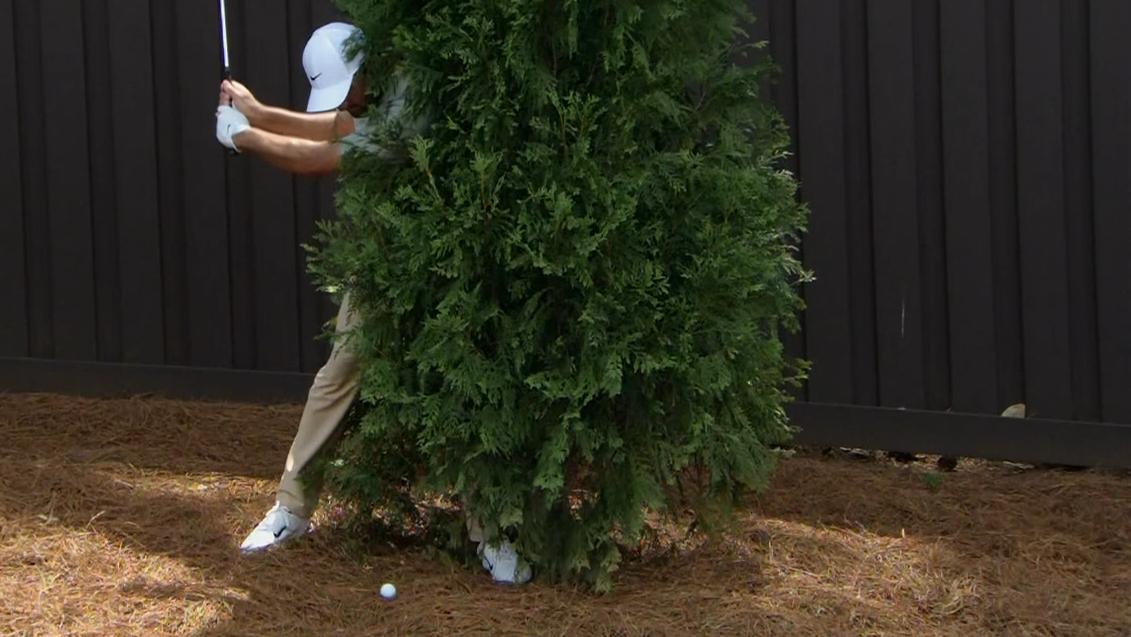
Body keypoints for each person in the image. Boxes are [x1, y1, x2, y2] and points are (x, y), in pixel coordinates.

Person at [215, 22, 531, 585]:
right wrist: (257, 111)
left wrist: (248, 137)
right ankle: (291, 507)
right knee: (339, 374)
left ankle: (492, 532)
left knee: (462, 384)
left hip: (444, 255)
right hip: (384, 254)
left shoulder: (414, 96)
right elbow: (337, 125)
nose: (348, 99)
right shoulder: (376, 91)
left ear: (366, 67)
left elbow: (331, 154)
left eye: (347, 86)